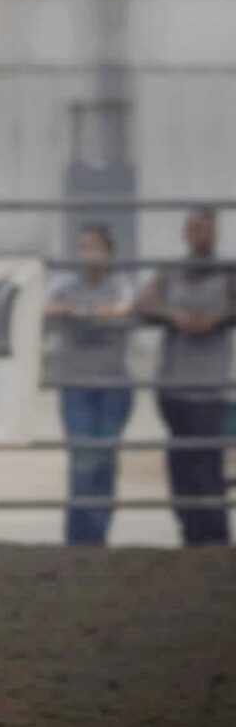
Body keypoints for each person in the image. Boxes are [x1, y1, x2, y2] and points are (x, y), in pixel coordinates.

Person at [138, 207, 234, 545]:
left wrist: (215, 318)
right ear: (186, 233)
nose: (199, 234)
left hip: (209, 386)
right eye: (193, 228)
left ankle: (215, 536)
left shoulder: (227, 272)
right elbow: (144, 304)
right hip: (173, 384)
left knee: (206, 464)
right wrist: (172, 314)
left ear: (214, 232)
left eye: (204, 229)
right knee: (181, 464)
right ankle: (190, 534)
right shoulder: (171, 272)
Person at [44, 224, 138, 545]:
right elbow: (45, 309)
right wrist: (95, 314)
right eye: (84, 247)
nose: (89, 254)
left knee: (105, 460)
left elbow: (125, 309)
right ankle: (79, 537)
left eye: (95, 247)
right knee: (83, 459)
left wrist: (78, 314)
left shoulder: (121, 285)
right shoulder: (67, 284)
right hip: (77, 384)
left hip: (113, 385)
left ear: (109, 252)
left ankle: (96, 536)